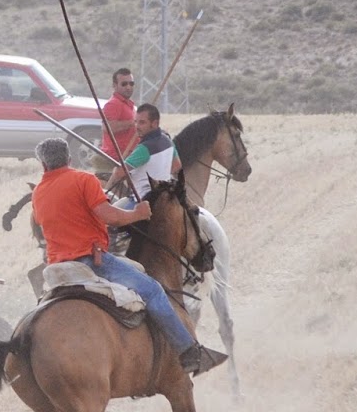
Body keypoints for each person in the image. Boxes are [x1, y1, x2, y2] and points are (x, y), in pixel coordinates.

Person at [30, 137, 225, 376]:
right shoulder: (83, 179)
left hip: (58, 267)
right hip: (91, 261)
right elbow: (110, 217)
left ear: (43, 166)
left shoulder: (38, 193)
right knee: (153, 290)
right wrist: (138, 214)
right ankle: (190, 352)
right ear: (69, 158)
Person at [105, 102, 181, 205]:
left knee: (113, 218)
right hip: (165, 197)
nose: (137, 126)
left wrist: (117, 169)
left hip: (142, 199)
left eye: (142, 123)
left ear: (154, 123)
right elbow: (177, 166)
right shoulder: (168, 140)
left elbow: (119, 173)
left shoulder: (144, 148)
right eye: (136, 122)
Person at [93, 68, 138, 179]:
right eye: (124, 84)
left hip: (130, 156)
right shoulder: (113, 104)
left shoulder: (129, 104)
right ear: (115, 85)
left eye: (131, 83)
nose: (128, 87)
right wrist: (134, 123)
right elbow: (108, 128)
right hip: (117, 159)